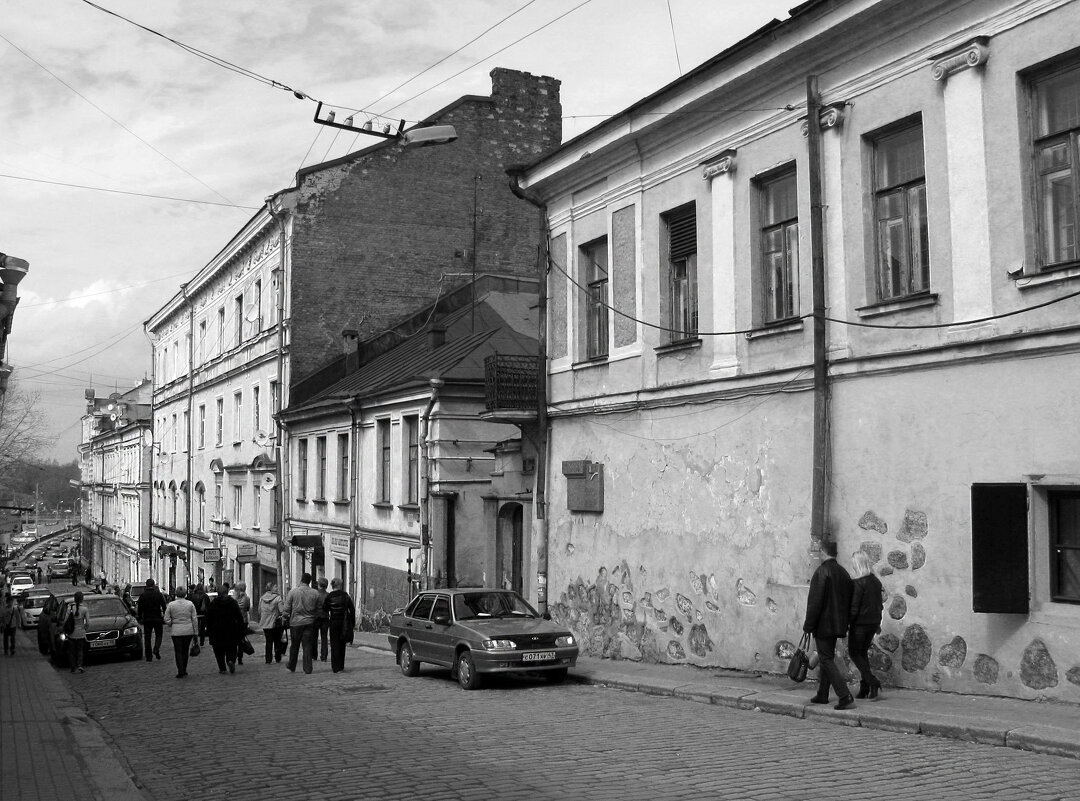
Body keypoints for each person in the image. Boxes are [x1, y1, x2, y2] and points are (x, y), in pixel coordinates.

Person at [803, 536, 855, 710]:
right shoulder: (843, 573)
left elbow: (815, 602)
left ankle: (844, 695)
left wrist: (808, 625)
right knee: (827, 657)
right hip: (838, 624)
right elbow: (849, 600)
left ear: (823, 553)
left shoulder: (821, 572)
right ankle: (823, 694)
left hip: (823, 624)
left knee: (825, 658)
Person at [848, 550, 885, 700]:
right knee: (862, 654)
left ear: (857, 564)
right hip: (873, 623)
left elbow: (854, 607)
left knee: (854, 653)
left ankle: (872, 682)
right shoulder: (876, 581)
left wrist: (848, 623)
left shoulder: (858, 583)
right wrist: (878, 622)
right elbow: (879, 604)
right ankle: (864, 689)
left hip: (860, 624)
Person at [282, 573, 320, 674]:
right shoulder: (315, 593)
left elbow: (286, 608)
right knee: (307, 645)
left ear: (301, 580)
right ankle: (308, 668)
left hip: (296, 622)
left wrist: (285, 617)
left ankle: (292, 665)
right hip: (309, 622)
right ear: (309, 581)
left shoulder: (293, 592)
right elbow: (319, 608)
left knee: (294, 645)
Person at [205, 583, 246, 674]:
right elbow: (239, 617)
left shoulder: (214, 603)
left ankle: (222, 668)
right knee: (231, 648)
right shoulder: (232, 602)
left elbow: (208, 618)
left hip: (217, 631)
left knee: (218, 650)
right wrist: (241, 629)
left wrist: (209, 630)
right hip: (231, 629)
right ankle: (231, 660)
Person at [164, 586, 198, 679]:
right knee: (185, 650)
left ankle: (180, 670)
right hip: (188, 630)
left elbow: (166, 618)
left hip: (176, 630)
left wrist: (171, 623)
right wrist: (196, 632)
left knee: (178, 651)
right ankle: (184, 668)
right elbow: (194, 619)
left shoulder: (171, 605)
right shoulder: (190, 604)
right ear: (185, 594)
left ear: (176, 594)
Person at [323, 577, 356, 673]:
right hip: (344, 622)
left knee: (334, 644)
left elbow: (325, 608)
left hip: (333, 622)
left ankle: (335, 667)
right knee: (342, 644)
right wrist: (352, 623)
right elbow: (352, 609)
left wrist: (330, 612)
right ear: (339, 585)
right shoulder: (345, 595)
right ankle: (341, 665)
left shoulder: (329, 597)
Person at [136, 578, 168, 662]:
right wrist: (165, 615)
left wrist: (139, 617)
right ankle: (156, 648)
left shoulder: (143, 595)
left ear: (146, 585)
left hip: (147, 619)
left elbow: (140, 608)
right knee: (159, 635)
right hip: (157, 617)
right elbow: (164, 606)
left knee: (147, 637)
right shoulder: (158, 594)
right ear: (153, 585)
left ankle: (148, 656)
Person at [258, 583, 285, 664]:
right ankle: (277, 657)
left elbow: (259, 611)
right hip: (275, 622)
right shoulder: (278, 598)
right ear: (272, 588)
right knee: (277, 641)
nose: (277, 588)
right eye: (275, 586)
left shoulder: (262, 598)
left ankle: (268, 659)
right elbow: (281, 611)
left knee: (268, 641)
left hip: (265, 623)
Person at [66, 591, 90, 673]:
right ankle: (80, 665)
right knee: (80, 650)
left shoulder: (70, 608)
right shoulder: (84, 609)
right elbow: (88, 623)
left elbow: (66, 620)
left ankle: (72, 667)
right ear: (82, 599)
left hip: (71, 633)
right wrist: (84, 629)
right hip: (81, 633)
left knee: (72, 651)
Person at [233, 581, 252, 665]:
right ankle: (240, 658)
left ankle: (232, 657)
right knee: (241, 639)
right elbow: (248, 609)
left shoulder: (233, 599)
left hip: (234, 620)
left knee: (233, 639)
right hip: (243, 621)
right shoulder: (247, 598)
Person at [314, 577, 330, 662]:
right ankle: (324, 656)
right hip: (325, 617)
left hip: (316, 617)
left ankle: (314, 655)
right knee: (324, 638)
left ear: (319, 585)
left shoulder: (315, 594)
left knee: (314, 637)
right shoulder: (328, 595)